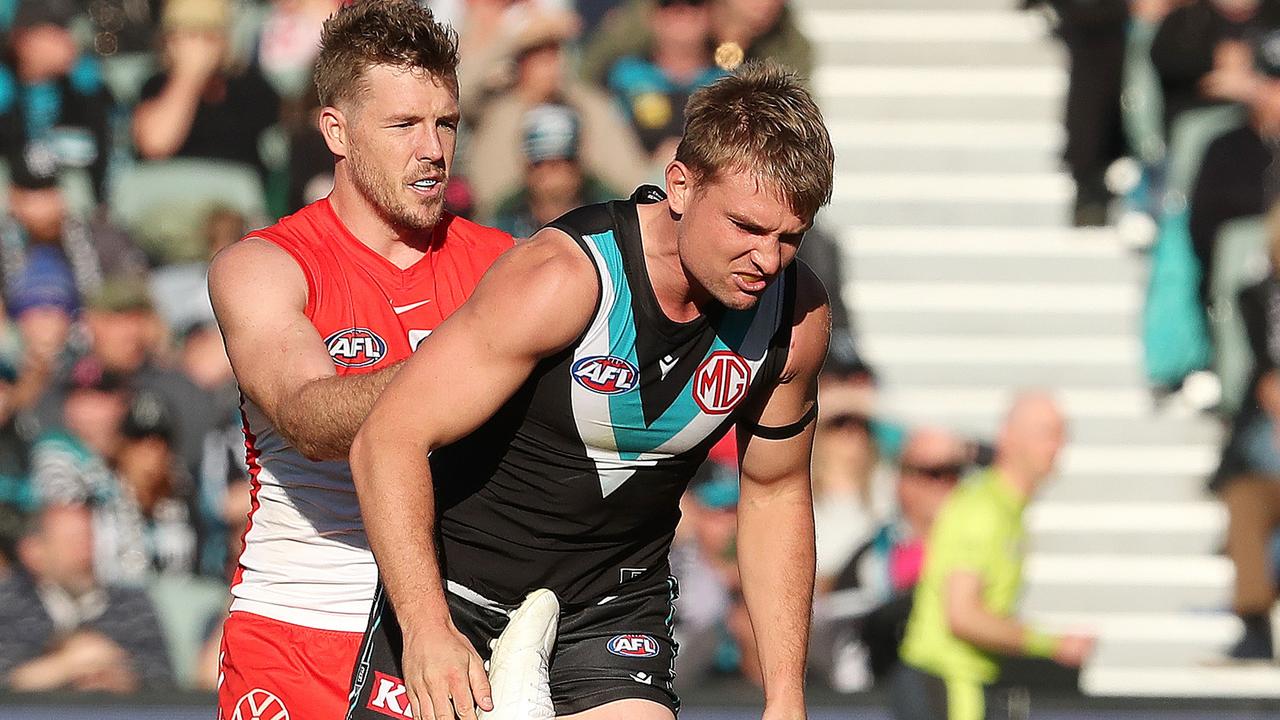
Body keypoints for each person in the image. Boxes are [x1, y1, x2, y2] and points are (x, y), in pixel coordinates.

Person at [347, 60, 834, 720]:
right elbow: (389, 438)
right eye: (747, 228)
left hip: (610, 606)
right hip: (458, 593)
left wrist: (785, 695)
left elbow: (775, 489)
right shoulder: (562, 278)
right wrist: (428, 629)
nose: (769, 261)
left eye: (790, 238)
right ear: (681, 186)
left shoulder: (794, 316)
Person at [205, 1, 514, 718]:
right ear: (336, 132)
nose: (432, 149)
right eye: (403, 125)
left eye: (446, 123)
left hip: (455, 625)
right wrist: (479, 359)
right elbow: (310, 417)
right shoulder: (263, 265)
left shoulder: (506, 266)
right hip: (302, 627)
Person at [892, 393, 1093, 720]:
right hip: (946, 683)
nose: (1057, 446)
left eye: (1061, 434)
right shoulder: (984, 511)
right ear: (1008, 437)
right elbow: (962, 615)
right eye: (1046, 433)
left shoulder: (1004, 509)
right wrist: (1051, 644)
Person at [0, 503, 173, 692]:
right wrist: (70, 664)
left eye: (89, 539)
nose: (85, 552)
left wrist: (117, 674)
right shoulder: (9, 605)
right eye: (72, 541)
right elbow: (6, 677)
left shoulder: (132, 606)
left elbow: (164, 680)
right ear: (33, 551)